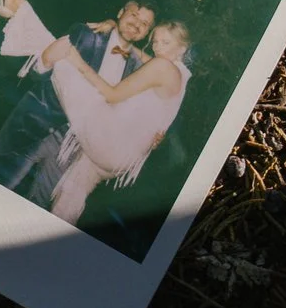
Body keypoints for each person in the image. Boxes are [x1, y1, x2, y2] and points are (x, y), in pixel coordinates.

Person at [0, 0, 157, 211]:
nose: (137, 24)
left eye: (144, 24)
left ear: (146, 34)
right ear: (120, 13)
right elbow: (39, 72)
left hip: (72, 149)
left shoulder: (138, 71)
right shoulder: (86, 35)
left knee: (37, 209)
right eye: (134, 15)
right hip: (34, 126)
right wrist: (44, 62)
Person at [36, 19, 190, 224]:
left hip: (112, 144)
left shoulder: (162, 66)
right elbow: (138, 55)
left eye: (165, 42)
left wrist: (78, 62)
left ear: (182, 47)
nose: (157, 47)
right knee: (71, 194)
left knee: (64, 64)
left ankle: (26, 28)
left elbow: (112, 95)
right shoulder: (182, 75)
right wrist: (115, 29)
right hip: (125, 159)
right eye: (155, 41)